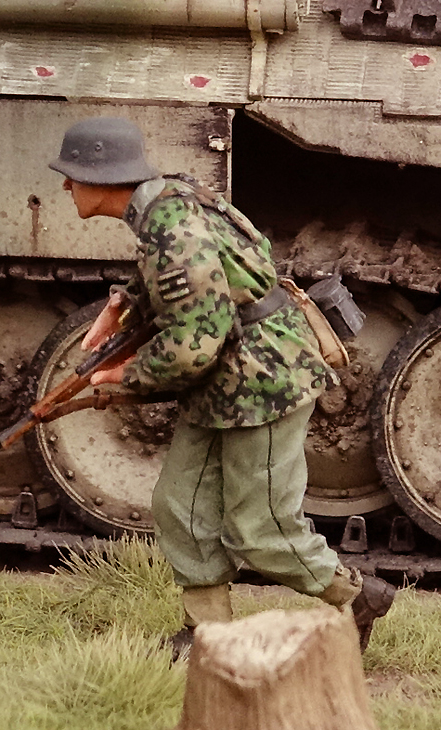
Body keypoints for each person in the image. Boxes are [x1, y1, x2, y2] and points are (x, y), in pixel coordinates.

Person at [49, 116, 396, 653]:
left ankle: (358, 596)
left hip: (265, 382)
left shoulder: (171, 227)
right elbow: (195, 276)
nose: (66, 186)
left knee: (261, 530)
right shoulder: (165, 206)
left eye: (72, 175)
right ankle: (206, 632)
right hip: (224, 382)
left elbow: (194, 343)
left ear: (102, 177)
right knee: (180, 505)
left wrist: (124, 376)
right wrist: (123, 304)